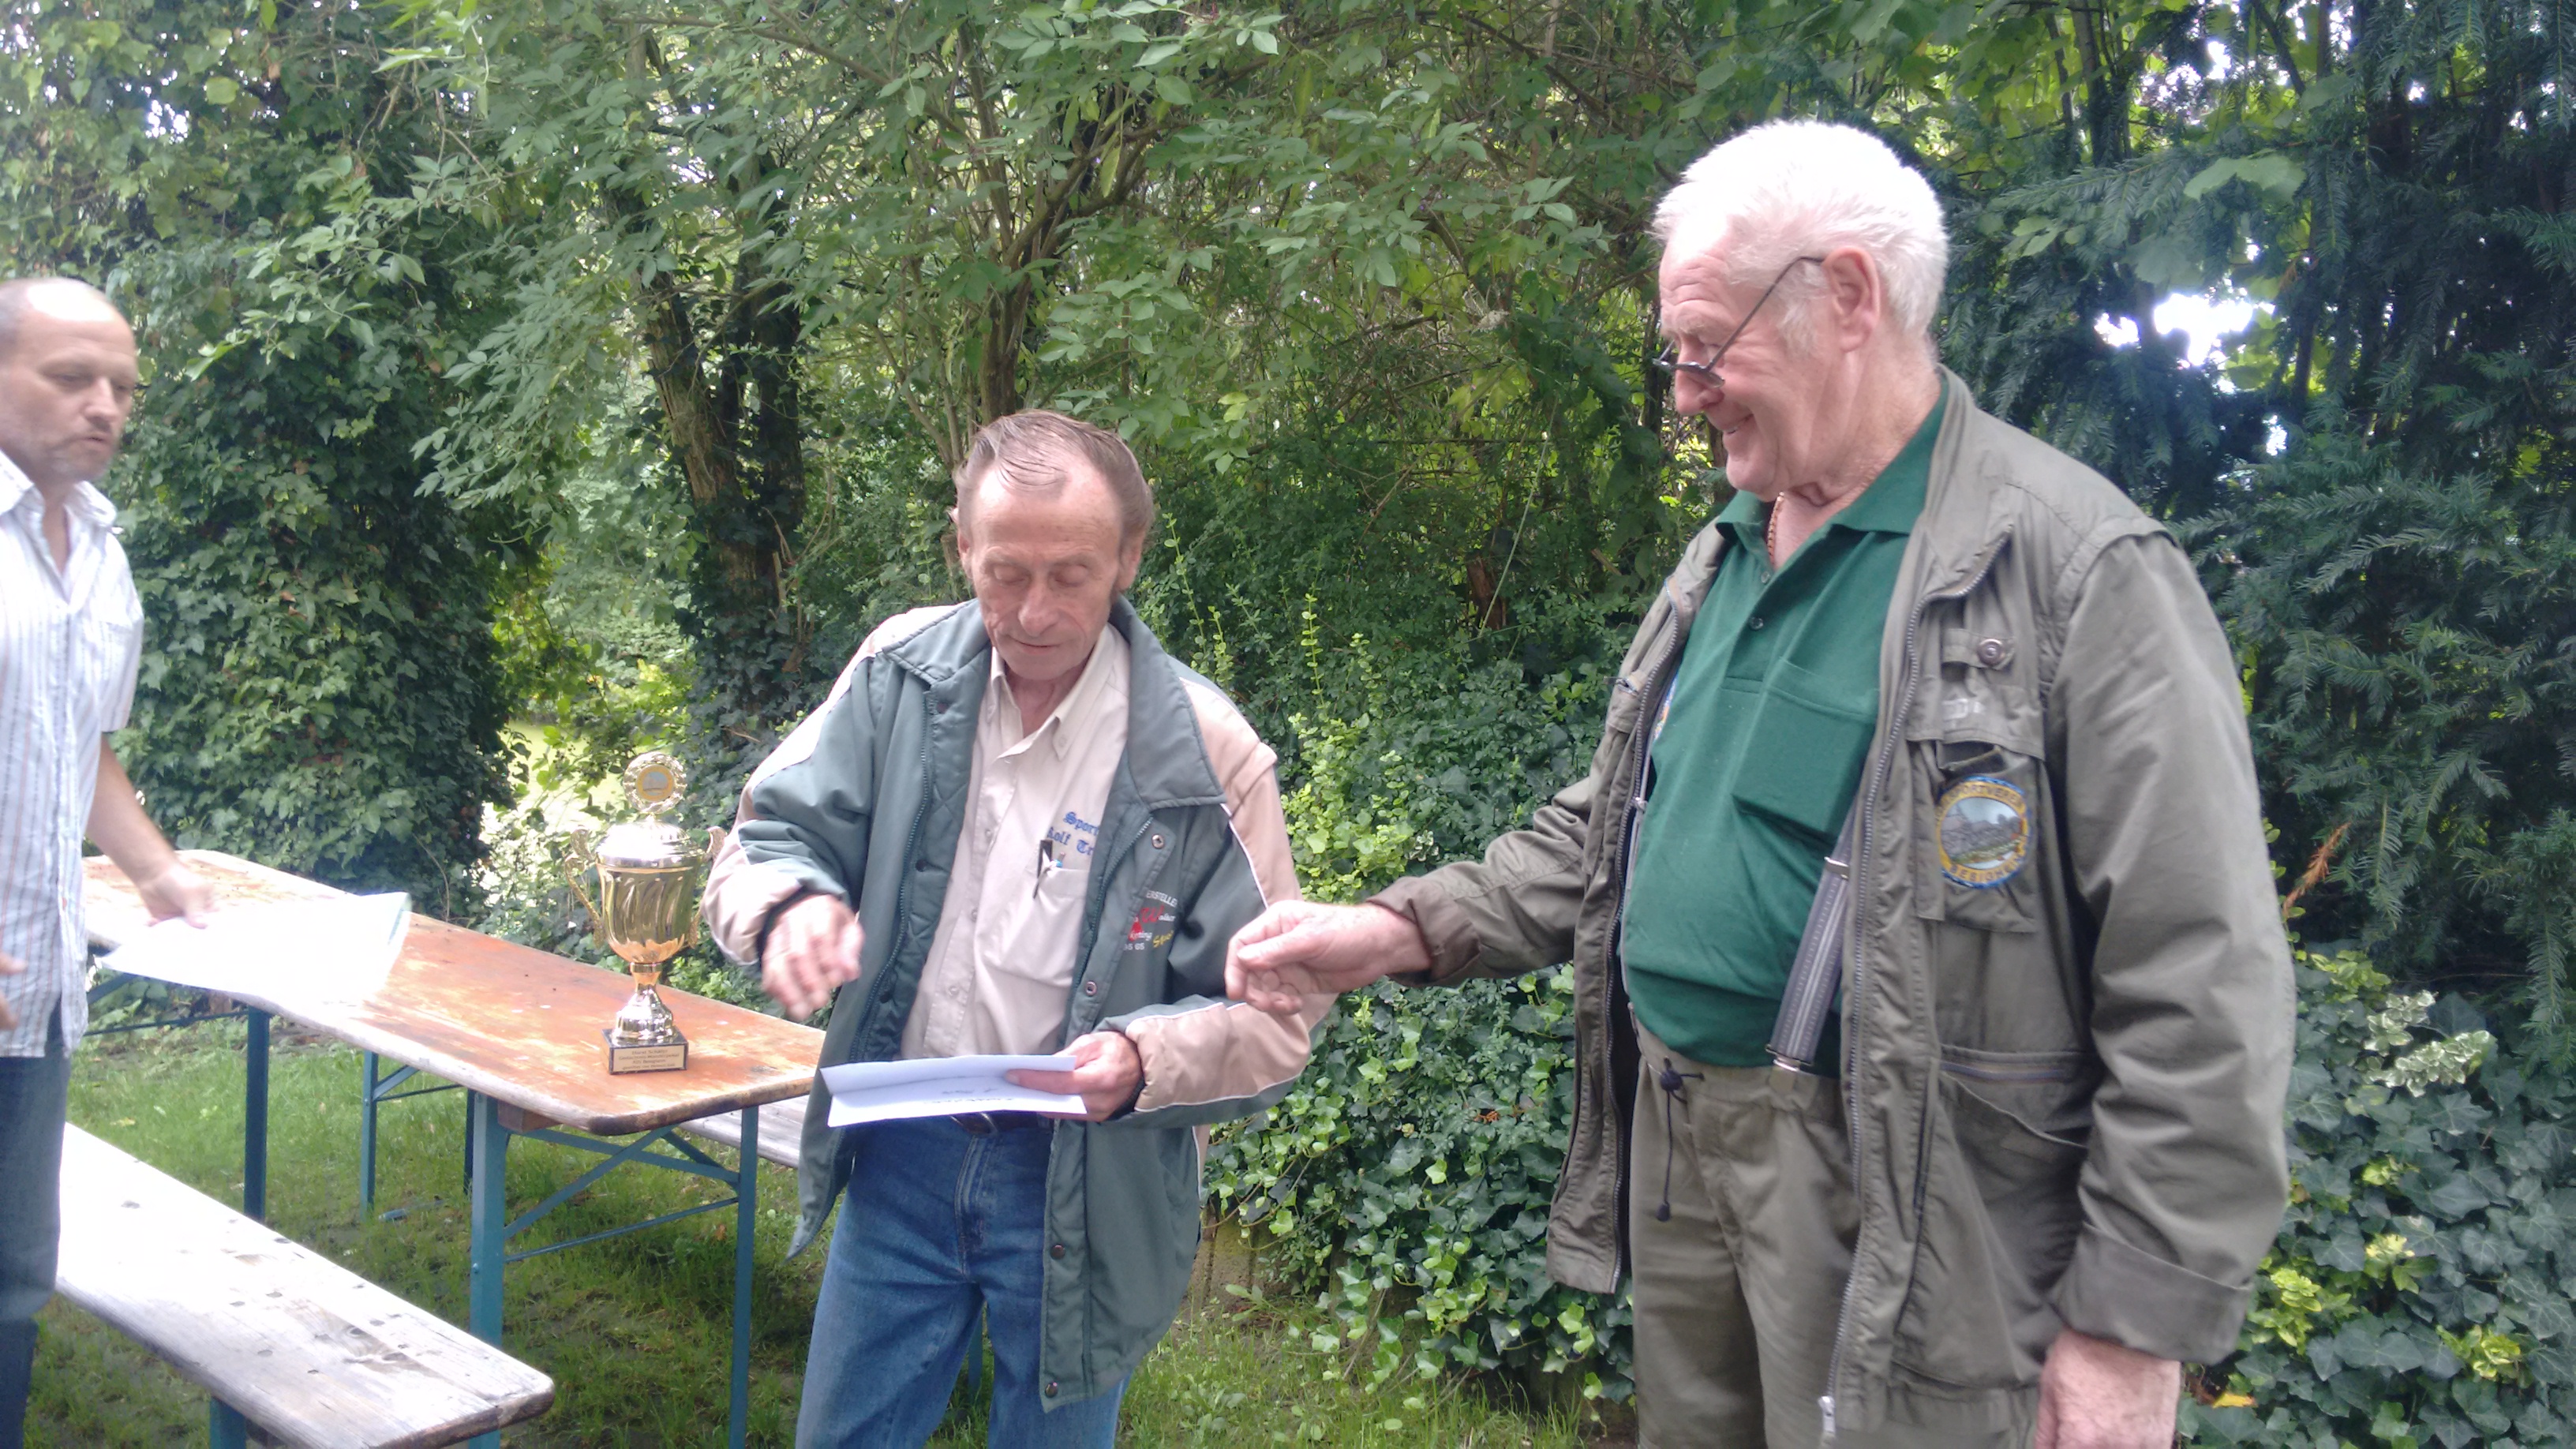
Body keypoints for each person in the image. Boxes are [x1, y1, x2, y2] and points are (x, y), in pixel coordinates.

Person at [1224, 122, 2293, 1449]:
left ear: (1846, 297)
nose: (1684, 393)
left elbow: (2200, 974)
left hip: (1900, 1191)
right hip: (1683, 1144)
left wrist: (2131, 1330)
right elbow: (1619, 820)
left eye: (1704, 347)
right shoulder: (1729, 546)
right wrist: (1392, 932)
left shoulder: (2076, 571)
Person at [702, 410, 1323, 1448]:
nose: (1034, 612)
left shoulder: (1208, 754)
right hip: (900, 1151)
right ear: (962, 548)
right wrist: (786, 907)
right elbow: (763, 839)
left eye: (1071, 576)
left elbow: (1279, 1018)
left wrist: (1145, 1059)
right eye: (1005, 574)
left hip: (1085, 1183)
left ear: (1129, 558)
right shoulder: (898, 674)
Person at [0, 277, 212, 1447]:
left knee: (12, 1281)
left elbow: (77, 743)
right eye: (71, 377)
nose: (105, 406)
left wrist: (155, 871)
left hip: (32, 993)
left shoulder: (100, 549)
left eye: (123, 387)